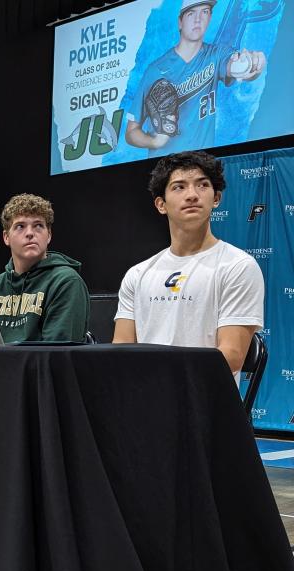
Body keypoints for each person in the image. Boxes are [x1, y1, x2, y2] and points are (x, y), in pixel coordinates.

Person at [113, 151, 263, 378]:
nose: (192, 195)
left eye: (202, 185)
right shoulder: (138, 274)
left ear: (216, 198)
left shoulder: (238, 266)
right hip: (145, 398)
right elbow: (120, 350)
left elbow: (231, 356)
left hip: (205, 403)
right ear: (161, 204)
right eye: (179, 187)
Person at [124, 0, 267, 155]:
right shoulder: (155, 70)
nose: (198, 19)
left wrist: (252, 64)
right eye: (191, 13)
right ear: (180, 21)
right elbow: (131, 132)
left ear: (210, 17)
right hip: (166, 166)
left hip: (203, 162)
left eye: (204, 11)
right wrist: (154, 141)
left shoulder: (216, 55)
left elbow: (238, 66)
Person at [0, 194, 89, 343]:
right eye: (20, 226)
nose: (29, 233)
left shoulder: (66, 282)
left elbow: (57, 356)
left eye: (38, 225)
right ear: (6, 237)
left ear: (49, 236)